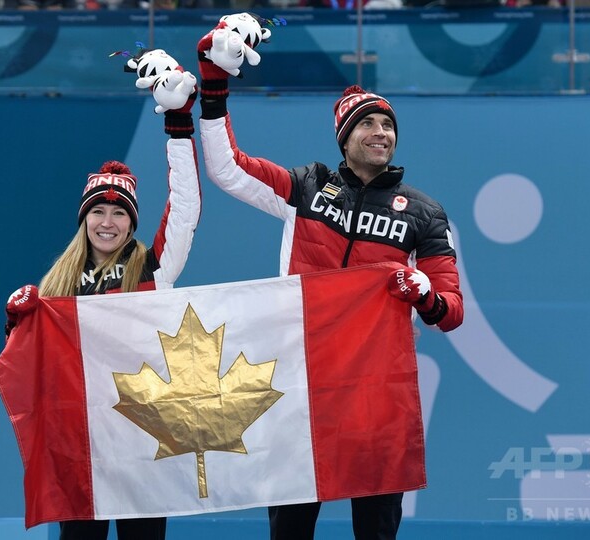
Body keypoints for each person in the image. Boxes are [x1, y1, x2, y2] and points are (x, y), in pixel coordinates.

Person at [195, 25, 464, 540]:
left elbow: (451, 309)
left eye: (388, 124)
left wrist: (422, 292)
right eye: (368, 124)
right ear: (345, 137)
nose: (381, 133)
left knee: (377, 528)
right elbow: (228, 168)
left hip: (374, 388)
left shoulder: (424, 214)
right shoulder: (307, 188)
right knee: (291, 525)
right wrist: (213, 85)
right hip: (300, 376)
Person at [4, 69, 201, 540]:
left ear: (131, 223)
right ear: (83, 219)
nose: (107, 222)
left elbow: (186, 207)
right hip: (83, 443)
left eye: (118, 213)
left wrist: (178, 125)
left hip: (146, 438)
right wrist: (15, 320)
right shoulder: (57, 284)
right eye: (98, 211)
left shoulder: (155, 269)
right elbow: (27, 361)